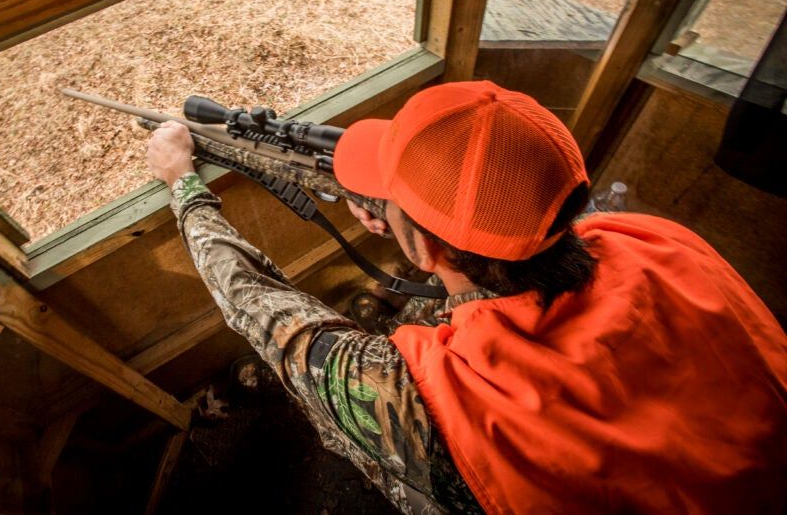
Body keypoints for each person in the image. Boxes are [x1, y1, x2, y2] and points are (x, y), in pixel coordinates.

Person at [146, 80, 787, 514]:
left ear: (424, 252)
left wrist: (183, 185)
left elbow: (260, 309)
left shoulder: (425, 401)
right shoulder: (655, 238)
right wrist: (408, 215)